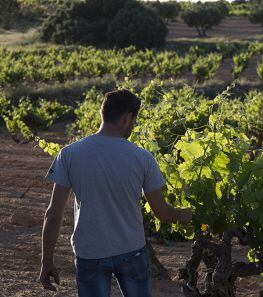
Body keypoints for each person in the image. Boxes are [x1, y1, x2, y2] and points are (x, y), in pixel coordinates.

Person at [38, 89, 192, 296]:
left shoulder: (69, 154)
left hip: (89, 252)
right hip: (132, 252)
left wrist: (46, 261)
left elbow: (53, 214)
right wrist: (185, 214)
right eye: (134, 120)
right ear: (127, 118)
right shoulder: (142, 158)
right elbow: (162, 213)